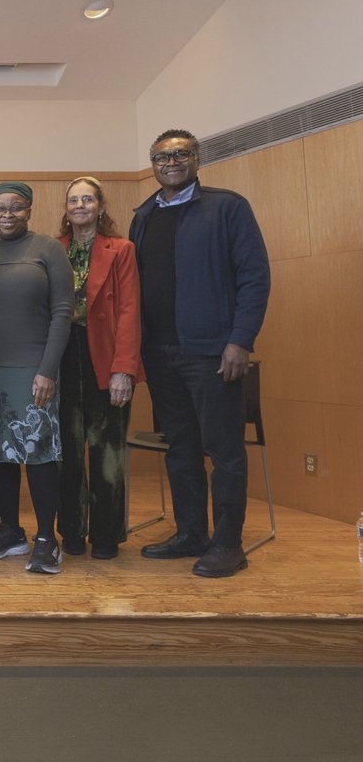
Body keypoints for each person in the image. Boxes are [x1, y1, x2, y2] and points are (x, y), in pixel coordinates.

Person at [131, 129, 270, 578]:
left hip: (213, 353)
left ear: (196, 158)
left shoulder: (227, 206)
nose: (170, 162)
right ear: (152, 163)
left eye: (180, 154)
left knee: (224, 450)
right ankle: (191, 533)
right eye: (161, 156)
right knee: (181, 449)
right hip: (159, 353)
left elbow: (254, 277)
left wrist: (240, 341)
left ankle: (229, 545)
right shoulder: (144, 214)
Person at [0, 182, 74, 575]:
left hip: (32, 372)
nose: (7, 214)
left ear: (29, 211)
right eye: (0, 208)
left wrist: (48, 369)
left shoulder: (48, 249)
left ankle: (47, 538)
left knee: (40, 455)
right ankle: (11, 531)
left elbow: (63, 311)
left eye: (17, 207)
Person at [55, 177, 144, 560]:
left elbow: (129, 311)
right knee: (67, 450)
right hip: (62, 357)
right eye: (73, 200)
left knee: (106, 452)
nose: (79, 206)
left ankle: (106, 535)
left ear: (101, 206)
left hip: (106, 356)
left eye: (87, 199)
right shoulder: (53, 249)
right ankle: (71, 531)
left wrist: (124, 369)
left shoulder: (121, 249)